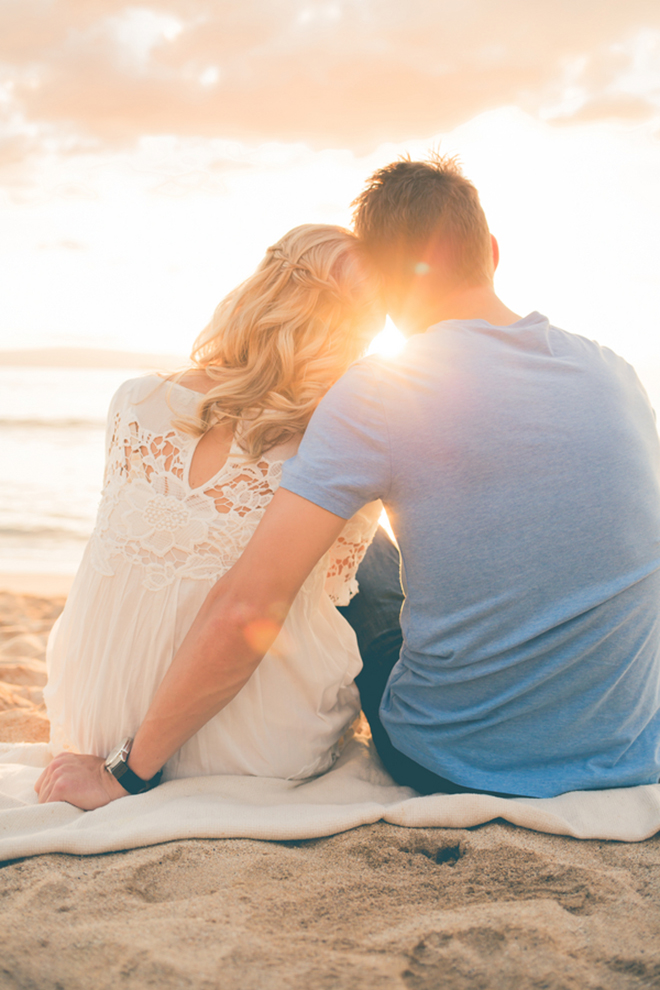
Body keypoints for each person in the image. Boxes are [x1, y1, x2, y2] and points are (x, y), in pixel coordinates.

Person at [38, 155, 660, 809]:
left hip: (453, 760)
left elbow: (251, 605)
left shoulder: (384, 391)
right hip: (628, 751)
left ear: (385, 290)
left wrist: (126, 773)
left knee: (363, 557)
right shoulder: (616, 373)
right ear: (494, 253)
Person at [37, 224, 385, 801]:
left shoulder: (133, 401)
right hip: (257, 751)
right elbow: (321, 593)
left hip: (92, 726)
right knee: (372, 561)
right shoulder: (336, 448)